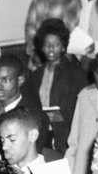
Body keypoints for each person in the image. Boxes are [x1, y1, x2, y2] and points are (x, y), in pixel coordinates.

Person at [22, 18, 85, 154]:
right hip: (40, 134)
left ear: (63, 46)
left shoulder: (75, 74)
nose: (51, 48)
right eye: (47, 44)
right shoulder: (36, 75)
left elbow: (80, 111)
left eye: (56, 44)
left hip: (64, 138)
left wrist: (55, 116)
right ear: (42, 47)